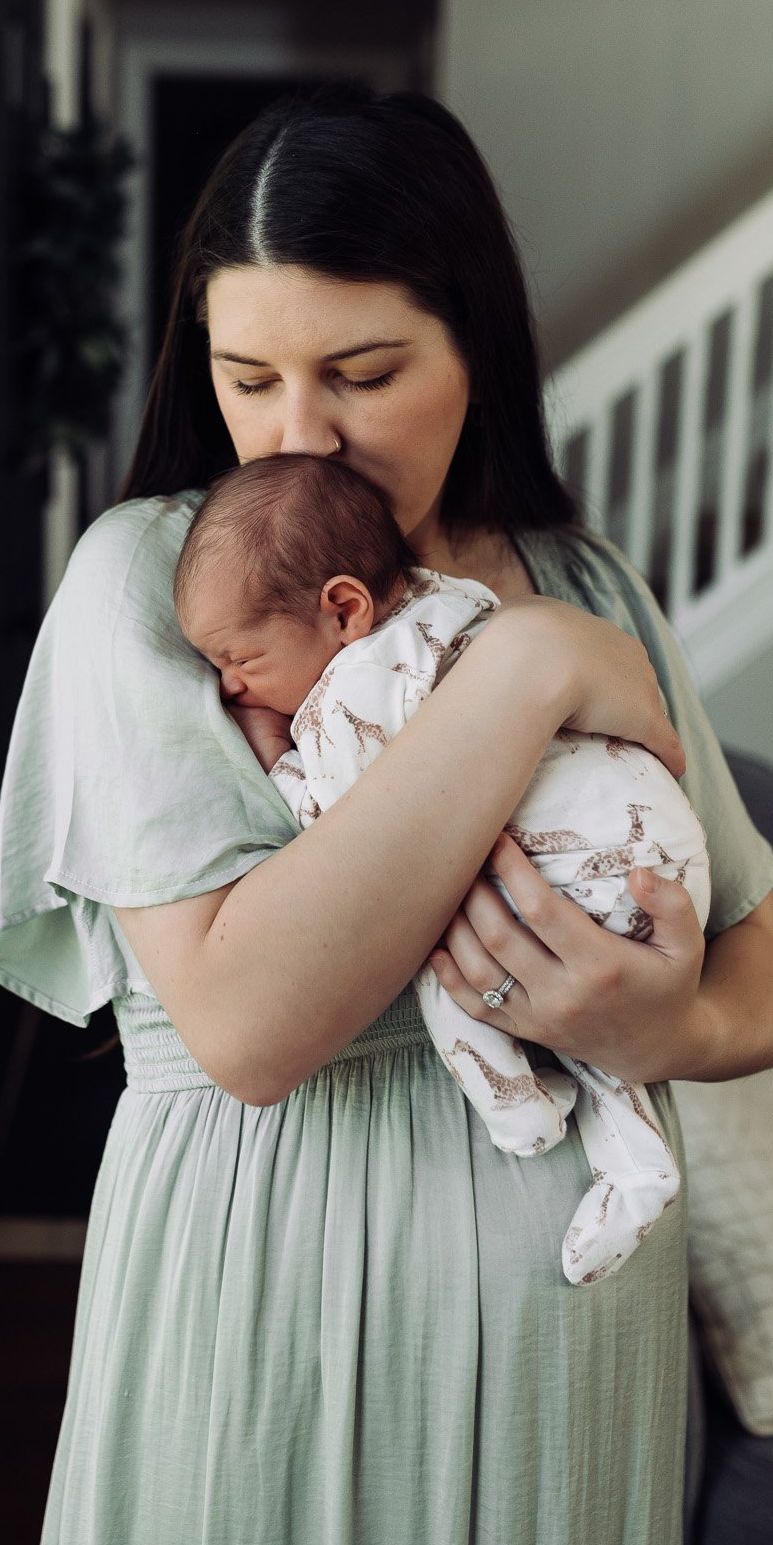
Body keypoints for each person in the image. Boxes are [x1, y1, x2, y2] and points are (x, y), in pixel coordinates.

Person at [0, 83, 773, 1545]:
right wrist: (524, 685)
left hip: (566, 1348)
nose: (300, 436)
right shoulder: (157, 591)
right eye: (248, 377)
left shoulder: (585, 582)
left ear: (471, 351)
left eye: (363, 375)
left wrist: (663, 1031)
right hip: (257, 1303)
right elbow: (248, 1023)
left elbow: (765, 988)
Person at [171, 449, 712, 1285]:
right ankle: (635, 1159)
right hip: (654, 852)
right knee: (575, 1000)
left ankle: (525, 1113)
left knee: (446, 969)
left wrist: (279, 760)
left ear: (343, 608)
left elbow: (352, 839)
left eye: (240, 659)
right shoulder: (454, 609)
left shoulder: (353, 692)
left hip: (586, 862)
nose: (229, 688)